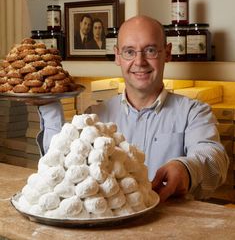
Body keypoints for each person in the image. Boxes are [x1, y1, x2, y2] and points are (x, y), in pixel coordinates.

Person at [38, 15, 229, 203]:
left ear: (168, 52)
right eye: (129, 52)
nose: (139, 62)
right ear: (117, 56)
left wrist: (186, 169)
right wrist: (48, 105)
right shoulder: (95, 116)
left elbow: (215, 161)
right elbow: (64, 167)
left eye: (151, 50)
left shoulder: (194, 112)